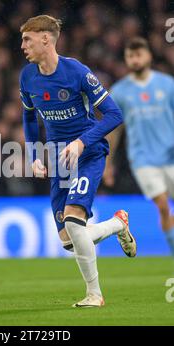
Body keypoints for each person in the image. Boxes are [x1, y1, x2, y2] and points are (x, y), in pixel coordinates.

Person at [19, 15, 137, 308]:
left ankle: (95, 295)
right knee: (70, 240)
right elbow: (29, 117)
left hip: (89, 152)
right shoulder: (27, 76)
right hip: (59, 160)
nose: (23, 46)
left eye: (27, 39)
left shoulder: (78, 73)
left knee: (73, 218)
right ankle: (118, 224)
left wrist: (82, 141)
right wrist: (35, 156)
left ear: (46, 39)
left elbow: (114, 115)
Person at [105, 37, 174, 255]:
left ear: (148, 56)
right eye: (130, 56)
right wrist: (108, 164)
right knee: (163, 205)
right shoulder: (120, 91)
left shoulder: (167, 85)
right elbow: (115, 130)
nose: (135, 60)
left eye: (138, 55)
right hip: (142, 159)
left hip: (170, 154)